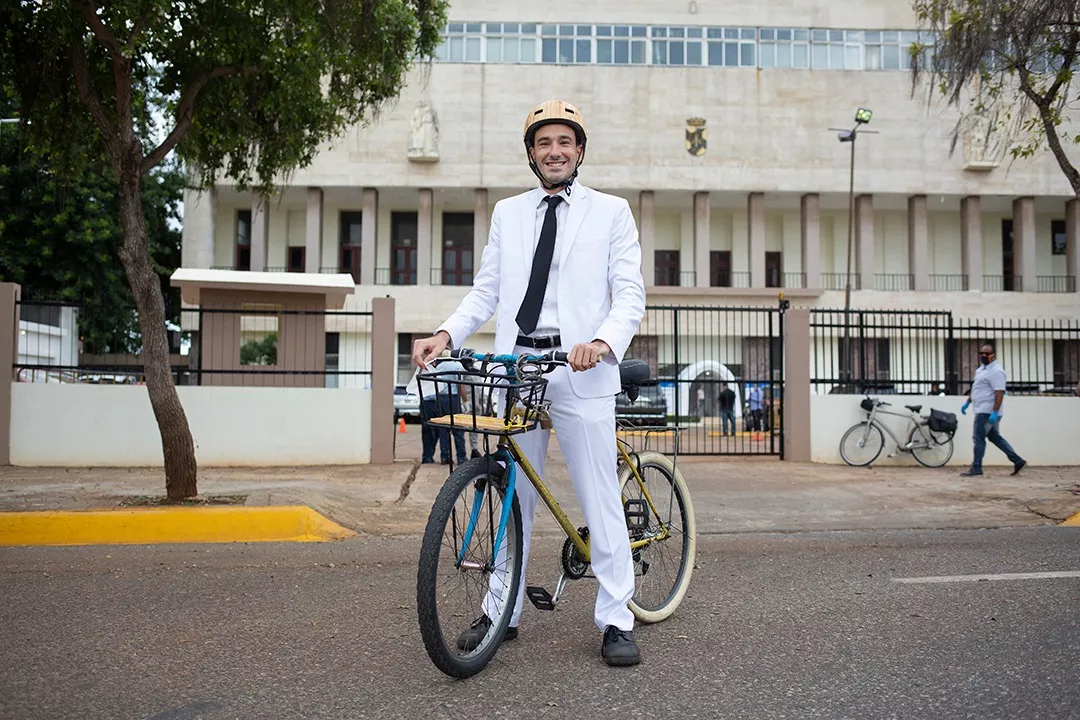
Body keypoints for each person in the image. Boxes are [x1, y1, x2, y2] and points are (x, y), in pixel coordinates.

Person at [412, 99, 646, 667]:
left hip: (580, 367)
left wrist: (603, 343)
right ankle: (501, 610)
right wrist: (444, 333)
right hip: (519, 370)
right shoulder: (508, 214)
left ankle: (616, 618)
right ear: (532, 154)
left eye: (565, 142)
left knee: (598, 495)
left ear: (580, 151)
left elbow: (630, 293)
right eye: (544, 143)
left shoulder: (611, 212)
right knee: (512, 493)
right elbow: (487, 292)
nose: (555, 151)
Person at [959, 344, 1026, 477]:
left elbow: (999, 392)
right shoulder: (981, 370)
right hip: (981, 408)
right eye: (982, 353)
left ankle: (976, 467)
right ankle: (1017, 460)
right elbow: (977, 388)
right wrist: (968, 402)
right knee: (994, 437)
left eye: (987, 354)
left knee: (978, 438)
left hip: (987, 411)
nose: (984, 356)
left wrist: (995, 412)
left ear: (993, 355)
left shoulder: (997, 371)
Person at [417, 360, 468, 465]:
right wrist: (465, 401)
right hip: (453, 397)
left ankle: (445, 456)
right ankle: (461, 457)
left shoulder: (438, 366)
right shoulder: (457, 366)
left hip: (439, 398)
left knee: (443, 429)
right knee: (458, 428)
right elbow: (460, 385)